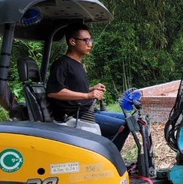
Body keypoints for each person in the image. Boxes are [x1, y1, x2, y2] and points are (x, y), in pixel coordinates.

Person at [46, 23, 129, 151]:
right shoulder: (62, 63)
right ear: (72, 41)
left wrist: (91, 89)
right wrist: (87, 95)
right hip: (75, 116)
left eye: (90, 40)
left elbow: (71, 88)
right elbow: (54, 92)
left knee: (129, 120)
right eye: (86, 40)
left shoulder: (77, 63)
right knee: (125, 125)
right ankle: (110, 158)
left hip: (88, 111)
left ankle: (105, 153)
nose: (90, 44)